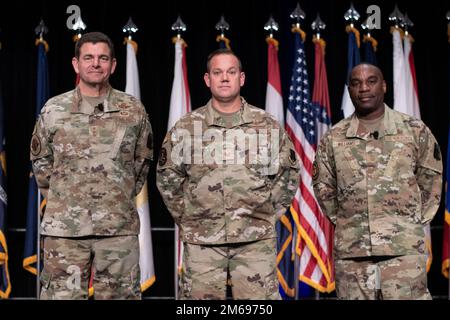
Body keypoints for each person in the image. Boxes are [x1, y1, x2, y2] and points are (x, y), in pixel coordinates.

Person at [156, 48, 299, 300]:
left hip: (254, 242)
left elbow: (287, 176)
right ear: (207, 79)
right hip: (203, 244)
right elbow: (168, 179)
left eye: (231, 72)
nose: (224, 78)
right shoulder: (187, 127)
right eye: (217, 72)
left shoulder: (266, 125)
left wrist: (263, 217)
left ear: (241, 78)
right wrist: (192, 220)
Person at [30, 32, 153, 300]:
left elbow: (141, 163)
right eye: (88, 57)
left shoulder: (133, 110)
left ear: (113, 65)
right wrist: (66, 202)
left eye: (102, 58)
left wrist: (116, 196)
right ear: (76, 64)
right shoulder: (54, 110)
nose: (95, 64)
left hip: (117, 230)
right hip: (65, 233)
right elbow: (41, 165)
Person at [312, 63, 443, 300]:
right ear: (349, 89)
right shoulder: (333, 137)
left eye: (371, 81)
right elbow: (324, 188)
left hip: (403, 251)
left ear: (383, 86)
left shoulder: (414, 130)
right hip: (354, 253)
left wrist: (409, 223)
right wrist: (350, 223)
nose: (364, 88)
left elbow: (431, 180)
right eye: (356, 83)